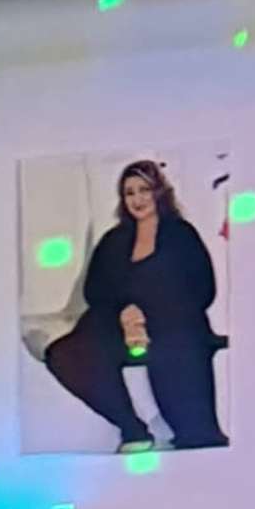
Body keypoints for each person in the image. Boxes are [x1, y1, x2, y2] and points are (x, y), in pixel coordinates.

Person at [46, 160, 227, 447]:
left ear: (159, 192)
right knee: (65, 354)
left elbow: (203, 289)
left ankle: (197, 437)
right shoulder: (113, 240)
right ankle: (132, 428)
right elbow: (95, 291)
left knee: (177, 349)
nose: (137, 199)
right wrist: (125, 312)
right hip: (120, 325)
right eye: (129, 193)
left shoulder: (181, 234)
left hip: (173, 324)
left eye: (144, 190)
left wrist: (150, 314)